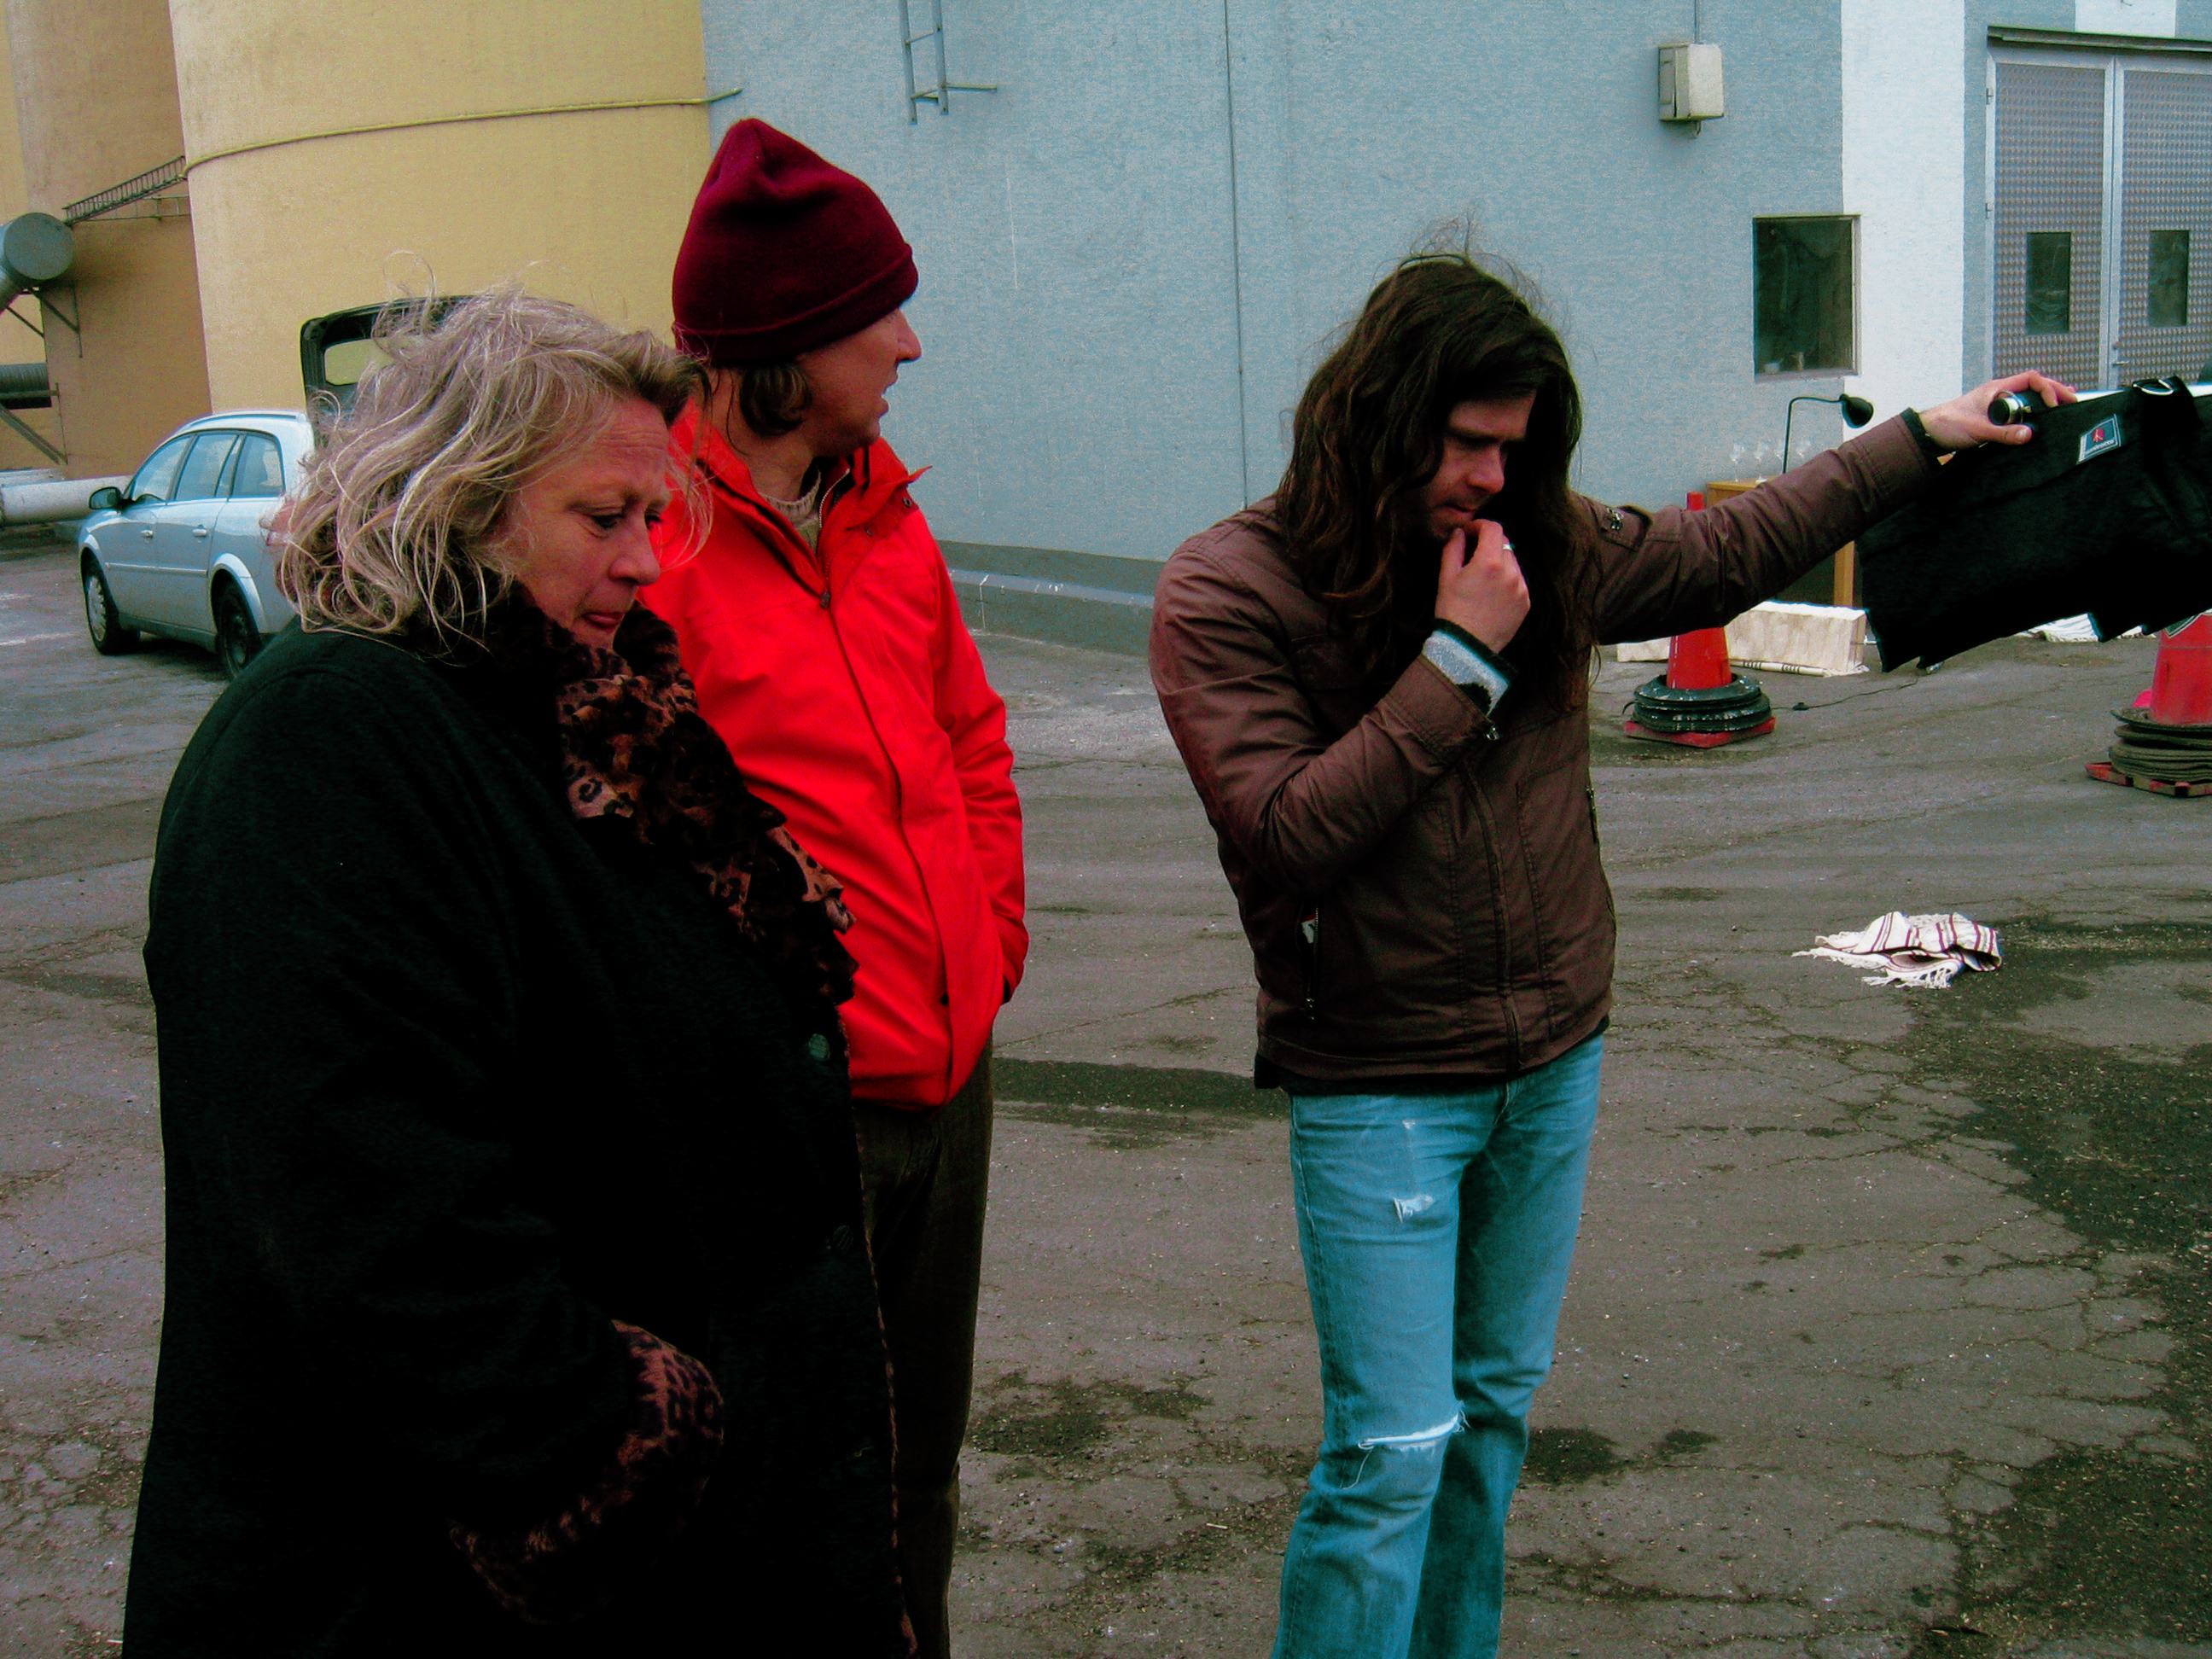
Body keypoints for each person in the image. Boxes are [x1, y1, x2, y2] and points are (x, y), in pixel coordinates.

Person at [1147, 248, 2075, 1659]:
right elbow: (1284, 832)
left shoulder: (1540, 542)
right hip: (1383, 1084)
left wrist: (1922, 436)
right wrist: (1460, 658)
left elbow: (1726, 550)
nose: (1490, 478)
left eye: (1514, 449)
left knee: (1489, 1431)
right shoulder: (1232, 588)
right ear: (1379, 416)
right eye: (1467, 444)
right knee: (1390, 1456)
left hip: (1552, 1062)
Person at [123, 288, 913, 1656]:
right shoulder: (324, 747)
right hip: (436, 1587)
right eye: (604, 519)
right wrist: (611, 1446)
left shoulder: (597, 714)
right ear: (459, 500)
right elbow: (369, 1208)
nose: (647, 565)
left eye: (654, 519)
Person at [640, 118, 1026, 1659]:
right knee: (787, 1474)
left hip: (952, 1071)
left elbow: (972, 740)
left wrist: (988, 944)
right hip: (799, 1098)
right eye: (882, 316)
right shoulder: (648, 544)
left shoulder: (886, 510)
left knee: (916, 1466)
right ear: (787, 347)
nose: (912, 344)